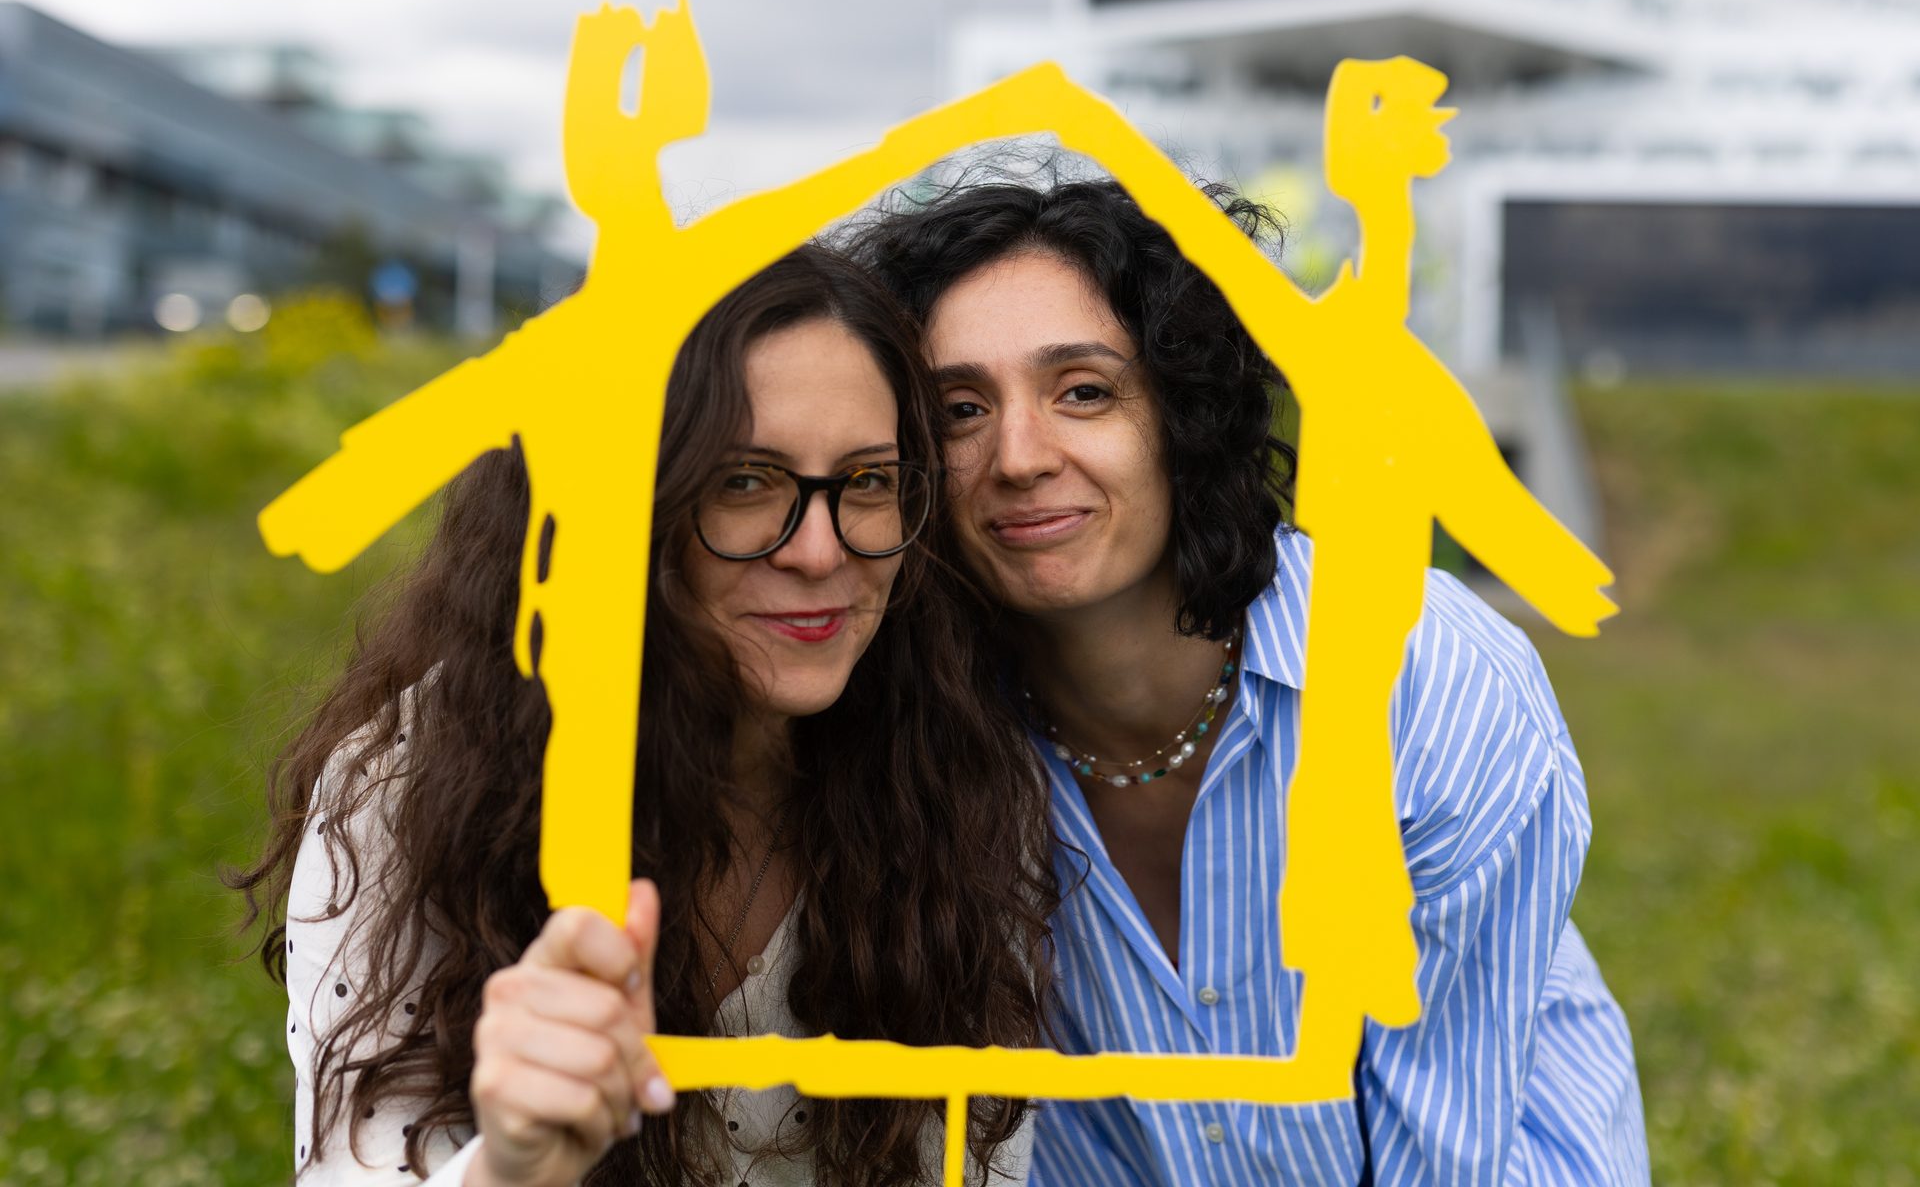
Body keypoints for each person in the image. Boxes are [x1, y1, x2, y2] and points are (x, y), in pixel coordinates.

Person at [853, 179, 1651, 1185]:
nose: (1017, 456)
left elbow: (1447, 1155)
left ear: (1185, 410)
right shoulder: (913, 733)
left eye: (1084, 391)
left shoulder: (1424, 681)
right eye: (960, 409)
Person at [231, 245, 1054, 1186]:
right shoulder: (416, 779)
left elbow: (975, 1159)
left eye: (868, 480)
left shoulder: (957, 772)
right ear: (620, 507)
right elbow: (355, 1165)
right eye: (746, 483)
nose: (822, 552)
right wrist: (514, 1165)